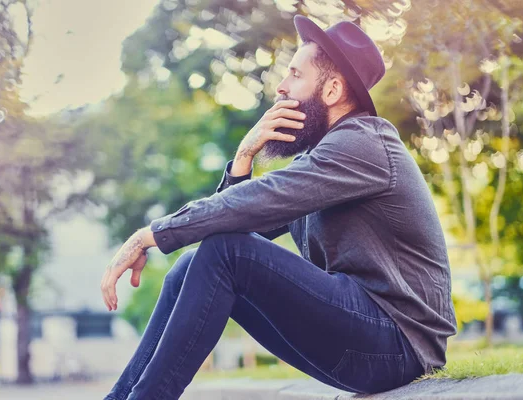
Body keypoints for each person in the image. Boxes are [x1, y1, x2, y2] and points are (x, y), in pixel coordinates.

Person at [100, 15, 457, 400]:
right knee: (191, 265)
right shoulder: (324, 157)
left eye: (295, 76)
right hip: (365, 342)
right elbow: (242, 220)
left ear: (333, 89)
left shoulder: (364, 143)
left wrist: (150, 235)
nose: (281, 88)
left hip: (398, 344)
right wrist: (243, 158)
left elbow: (247, 219)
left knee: (227, 254)